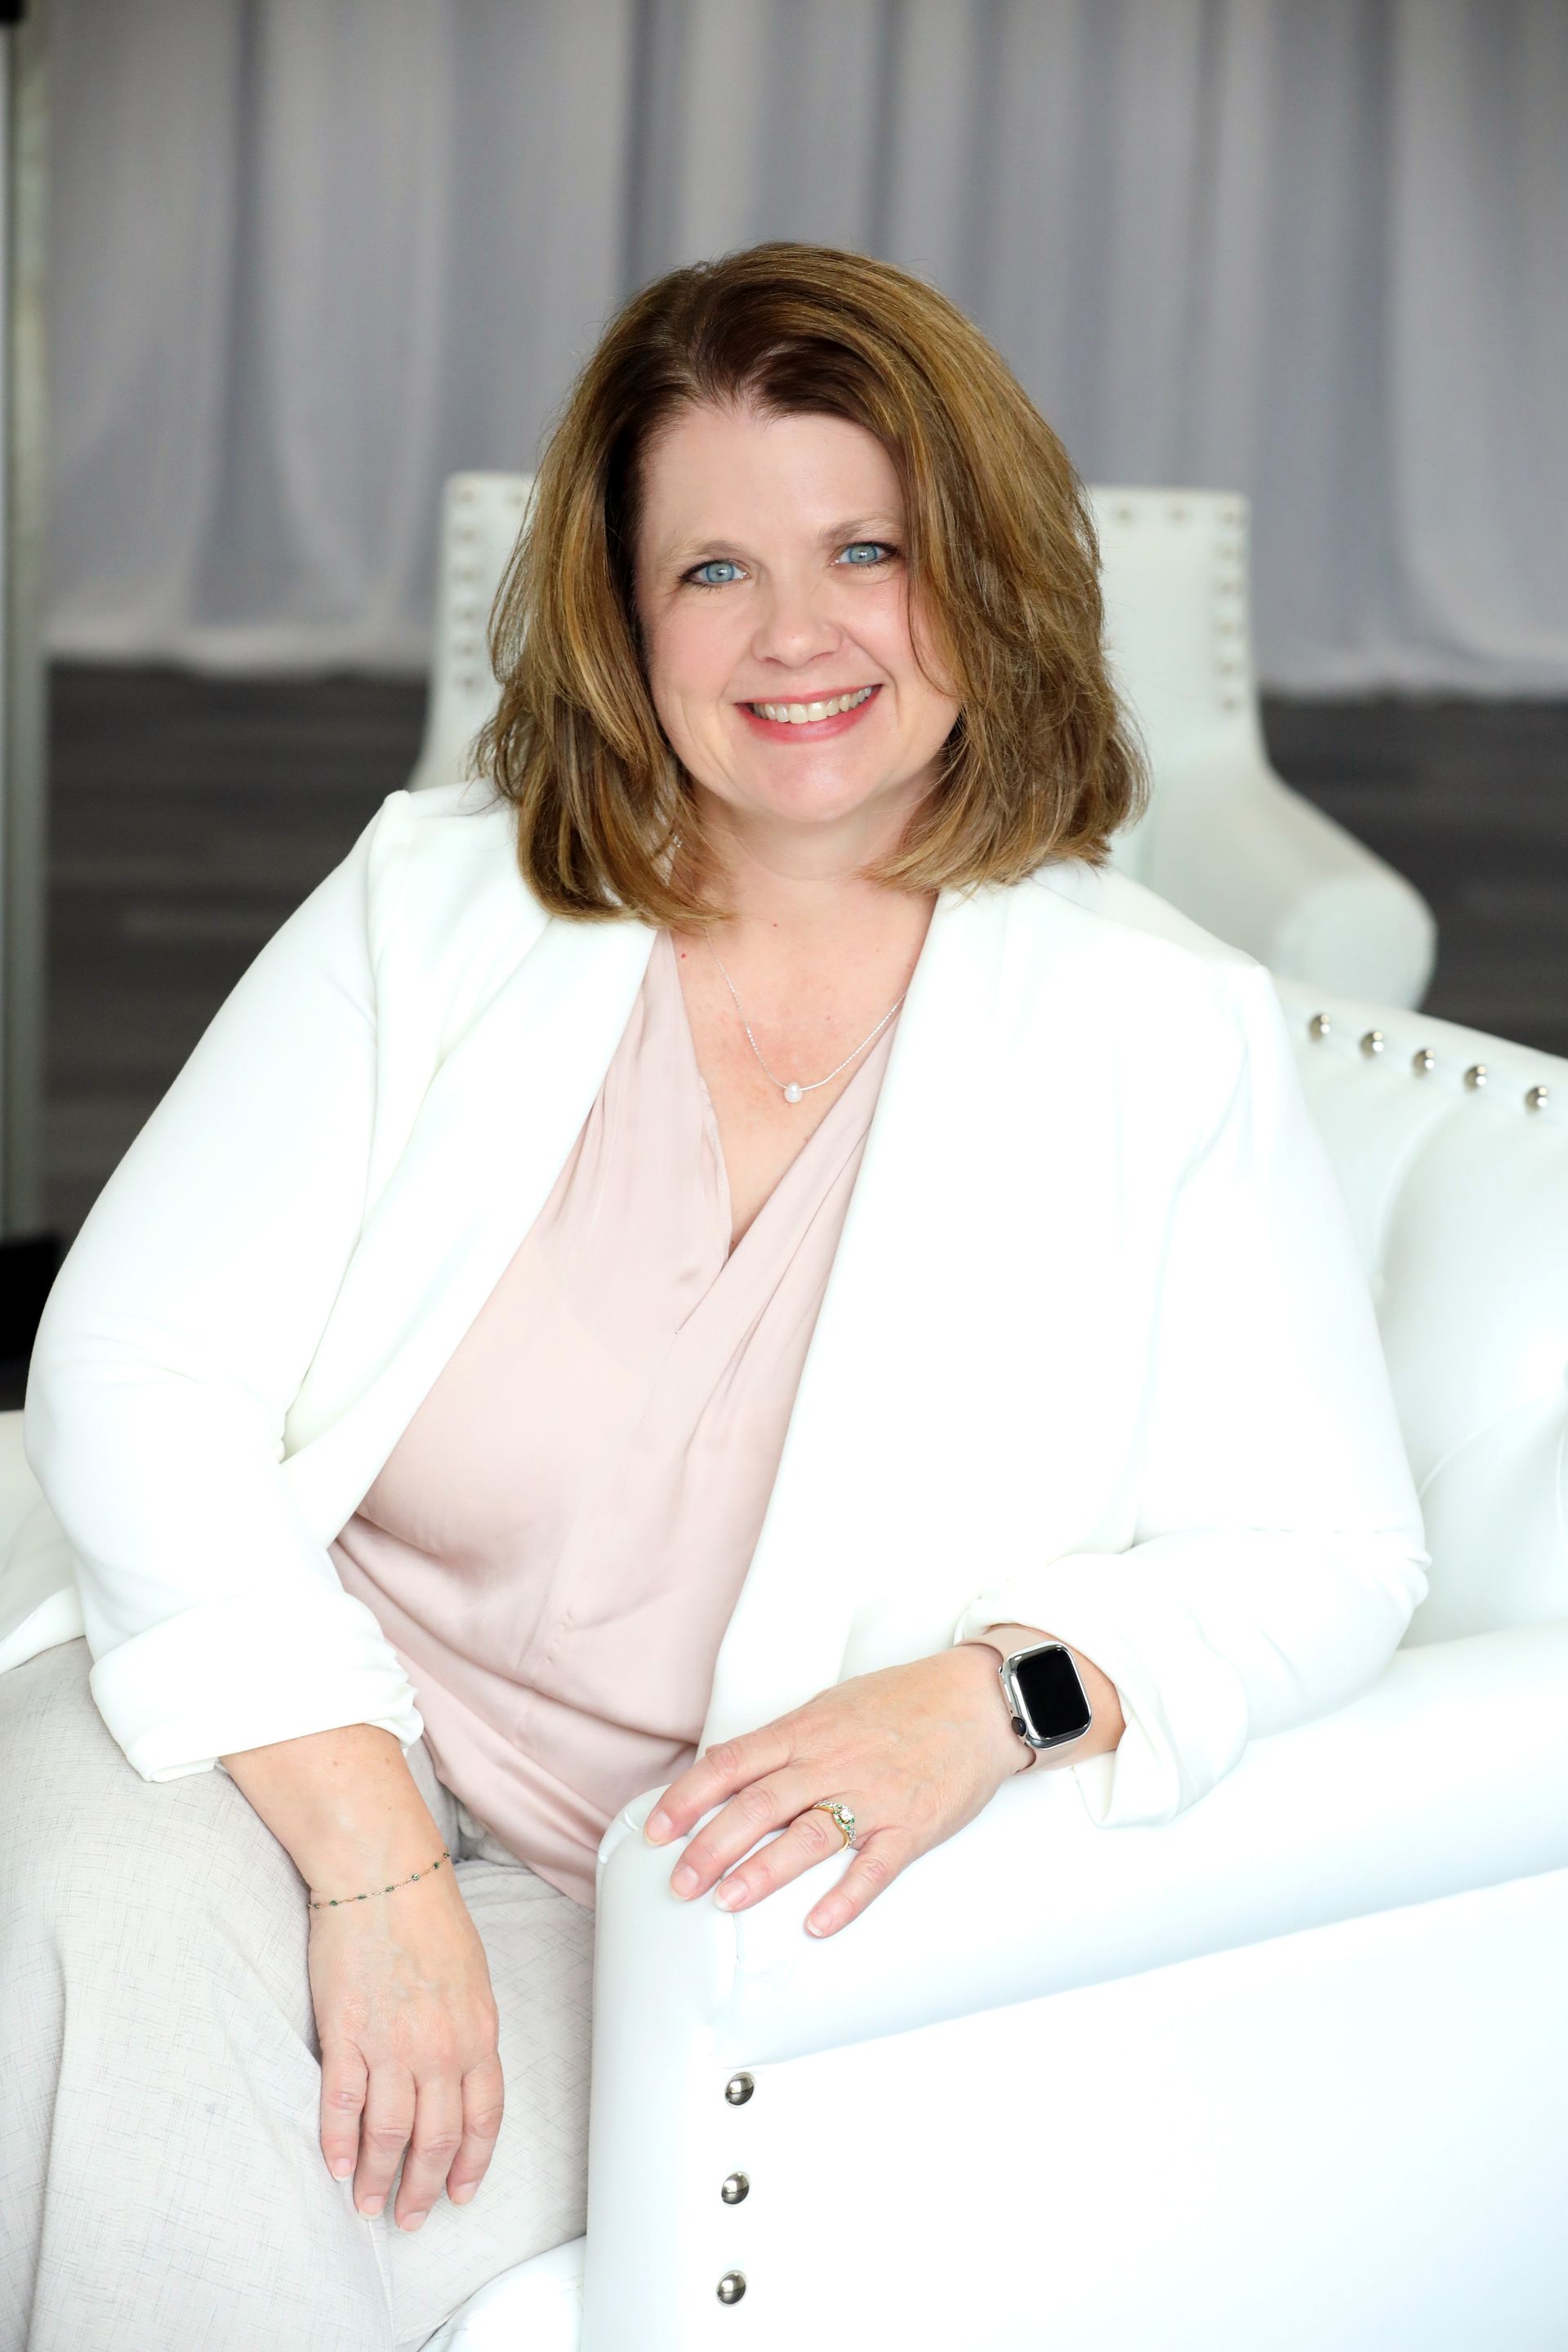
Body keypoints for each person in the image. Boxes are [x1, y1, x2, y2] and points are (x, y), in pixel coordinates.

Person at [0, 240, 1429, 2351]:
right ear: (625, 616)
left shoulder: (1163, 1031)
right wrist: (378, 1865)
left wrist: (998, 1698)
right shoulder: (440, 900)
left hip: (689, 1899)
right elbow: (133, 1364)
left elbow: (1330, 1550)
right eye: (713, 571)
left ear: (987, 576)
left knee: (247, 2163)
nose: (797, 637)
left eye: (868, 550)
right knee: (80, 1905)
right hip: (278, 1727)